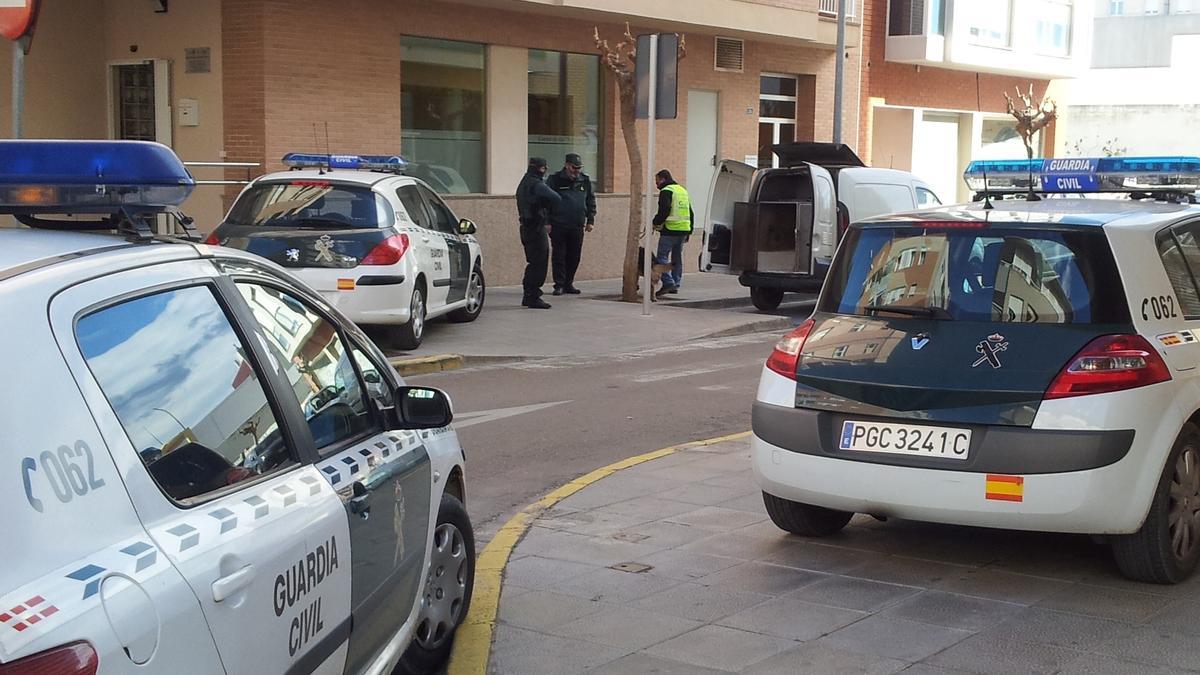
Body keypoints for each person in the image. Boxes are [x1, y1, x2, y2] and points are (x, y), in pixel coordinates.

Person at [545, 153, 596, 295]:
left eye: (579, 168)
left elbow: (590, 200)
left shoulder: (584, 180)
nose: (576, 171)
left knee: (574, 256)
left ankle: (569, 283)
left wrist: (590, 219)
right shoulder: (555, 180)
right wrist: (547, 222)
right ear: (567, 165)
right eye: (574, 167)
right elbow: (546, 202)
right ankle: (559, 284)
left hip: (577, 224)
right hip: (559, 224)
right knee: (559, 256)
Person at [515, 157, 560, 309]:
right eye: (543, 168)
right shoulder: (535, 183)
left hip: (527, 226)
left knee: (533, 262)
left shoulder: (525, 182)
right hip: (534, 227)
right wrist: (546, 208)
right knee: (539, 263)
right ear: (539, 168)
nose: (545, 171)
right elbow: (555, 197)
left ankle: (529, 295)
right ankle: (533, 295)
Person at [651, 169, 693, 294]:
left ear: (663, 179)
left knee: (661, 257)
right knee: (677, 258)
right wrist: (689, 230)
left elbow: (664, 210)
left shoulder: (666, 191)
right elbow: (691, 212)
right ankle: (676, 283)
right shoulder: (682, 190)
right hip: (683, 230)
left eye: (657, 181)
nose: (656, 184)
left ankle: (668, 282)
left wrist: (655, 222)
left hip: (670, 230)